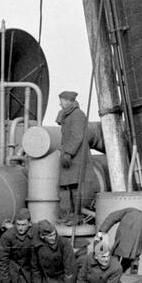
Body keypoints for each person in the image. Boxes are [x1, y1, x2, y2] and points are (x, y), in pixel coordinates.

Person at [56, 90, 91, 224]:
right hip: (69, 156)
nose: (60, 104)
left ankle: (77, 216)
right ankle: (70, 215)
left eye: (62, 101)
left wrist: (68, 153)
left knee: (75, 187)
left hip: (75, 157)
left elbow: (77, 136)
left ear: (68, 101)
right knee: (68, 187)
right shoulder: (68, 114)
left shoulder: (77, 115)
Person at [96, 207, 142, 275]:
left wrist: (102, 231)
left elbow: (112, 217)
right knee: (134, 254)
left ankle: (112, 273)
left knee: (117, 251)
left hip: (129, 223)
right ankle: (131, 275)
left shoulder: (128, 211)